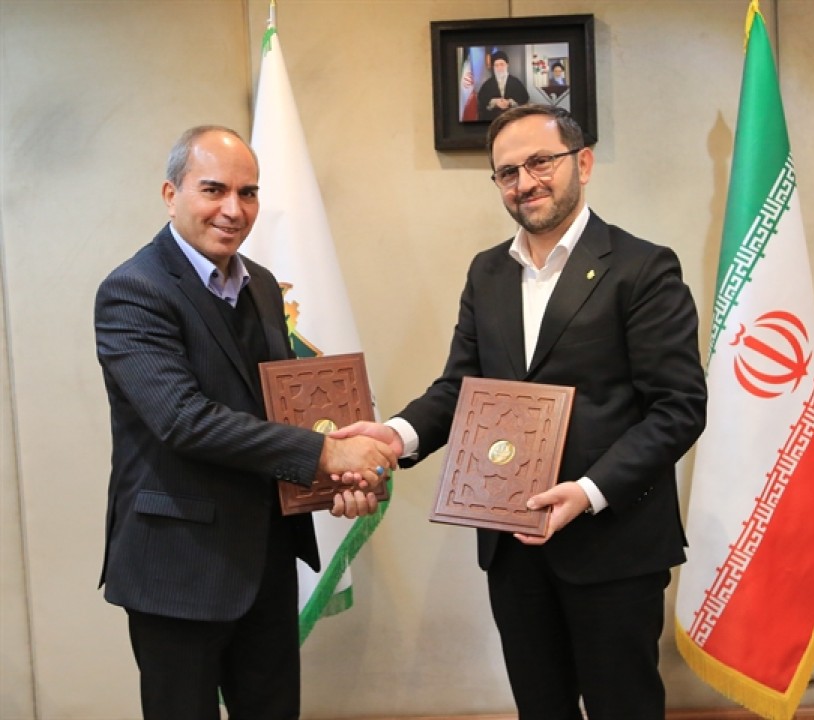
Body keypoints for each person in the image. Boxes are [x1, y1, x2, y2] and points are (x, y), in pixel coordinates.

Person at [332, 105, 707, 719]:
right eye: (507, 172)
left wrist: (588, 492)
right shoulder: (488, 272)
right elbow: (460, 388)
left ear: (583, 163)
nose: (525, 182)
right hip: (513, 546)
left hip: (613, 545)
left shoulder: (642, 267)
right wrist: (395, 436)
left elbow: (679, 408)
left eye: (541, 162)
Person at [94, 125, 395, 720]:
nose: (233, 209)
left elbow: (281, 409)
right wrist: (326, 455)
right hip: (178, 567)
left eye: (248, 192)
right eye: (213, 189)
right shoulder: (133, 291)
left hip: (266, 558)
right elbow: (182, 420)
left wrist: (337, 482)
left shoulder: (260, 285)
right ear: (171, 194)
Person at [477, 50, 530, 121]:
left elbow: (524, 98)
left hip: (512, 120)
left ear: (507, 65)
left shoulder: (516, 82)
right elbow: (482, 100)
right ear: (493, 67)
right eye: (496, 65)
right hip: (493, 120)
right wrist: (495, 102)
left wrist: (509, 102)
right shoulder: (487, 84)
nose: (499, 68)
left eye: (502, 64)